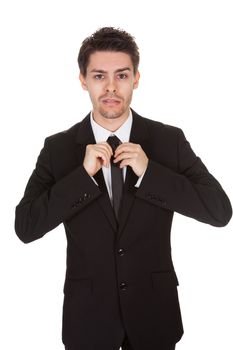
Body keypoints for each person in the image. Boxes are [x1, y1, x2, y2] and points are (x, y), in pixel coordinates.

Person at [14, 26, 232, 350]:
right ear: (83, 80)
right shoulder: (57, 149)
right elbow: (26, 226)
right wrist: (82, 178)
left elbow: (219, 210)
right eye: (100, 76)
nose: (111, 88)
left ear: (136, 79)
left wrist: (150, 173)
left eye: (122, 75)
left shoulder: (168, 141)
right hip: (87, 322)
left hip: (154, 319)